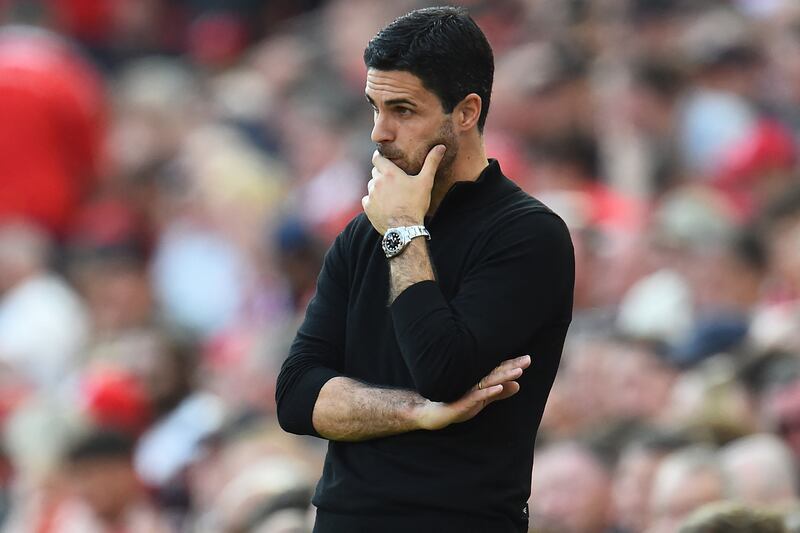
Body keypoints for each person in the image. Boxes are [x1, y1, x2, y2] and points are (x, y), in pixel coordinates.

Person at [276, 6, 574, 532]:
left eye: (403, 110)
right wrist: (415, 412)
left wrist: (403, 230)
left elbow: (442, 370)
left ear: (466, 112)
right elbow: (296, 396)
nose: (379, 132)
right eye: (375, 108)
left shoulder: (528, 235)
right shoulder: (362, 233)